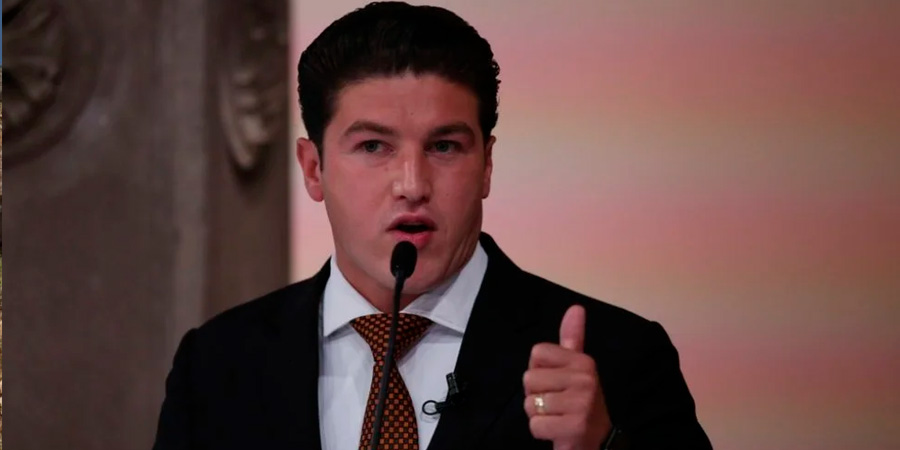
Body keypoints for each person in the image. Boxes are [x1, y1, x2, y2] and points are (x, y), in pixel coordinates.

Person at [152, 2, 712, 449]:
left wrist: (605, 446)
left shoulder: (616, 358)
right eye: (374, 146)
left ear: (486, 165)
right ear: (313, 168)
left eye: (444, 147)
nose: (413, 184)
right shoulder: (218, 365)